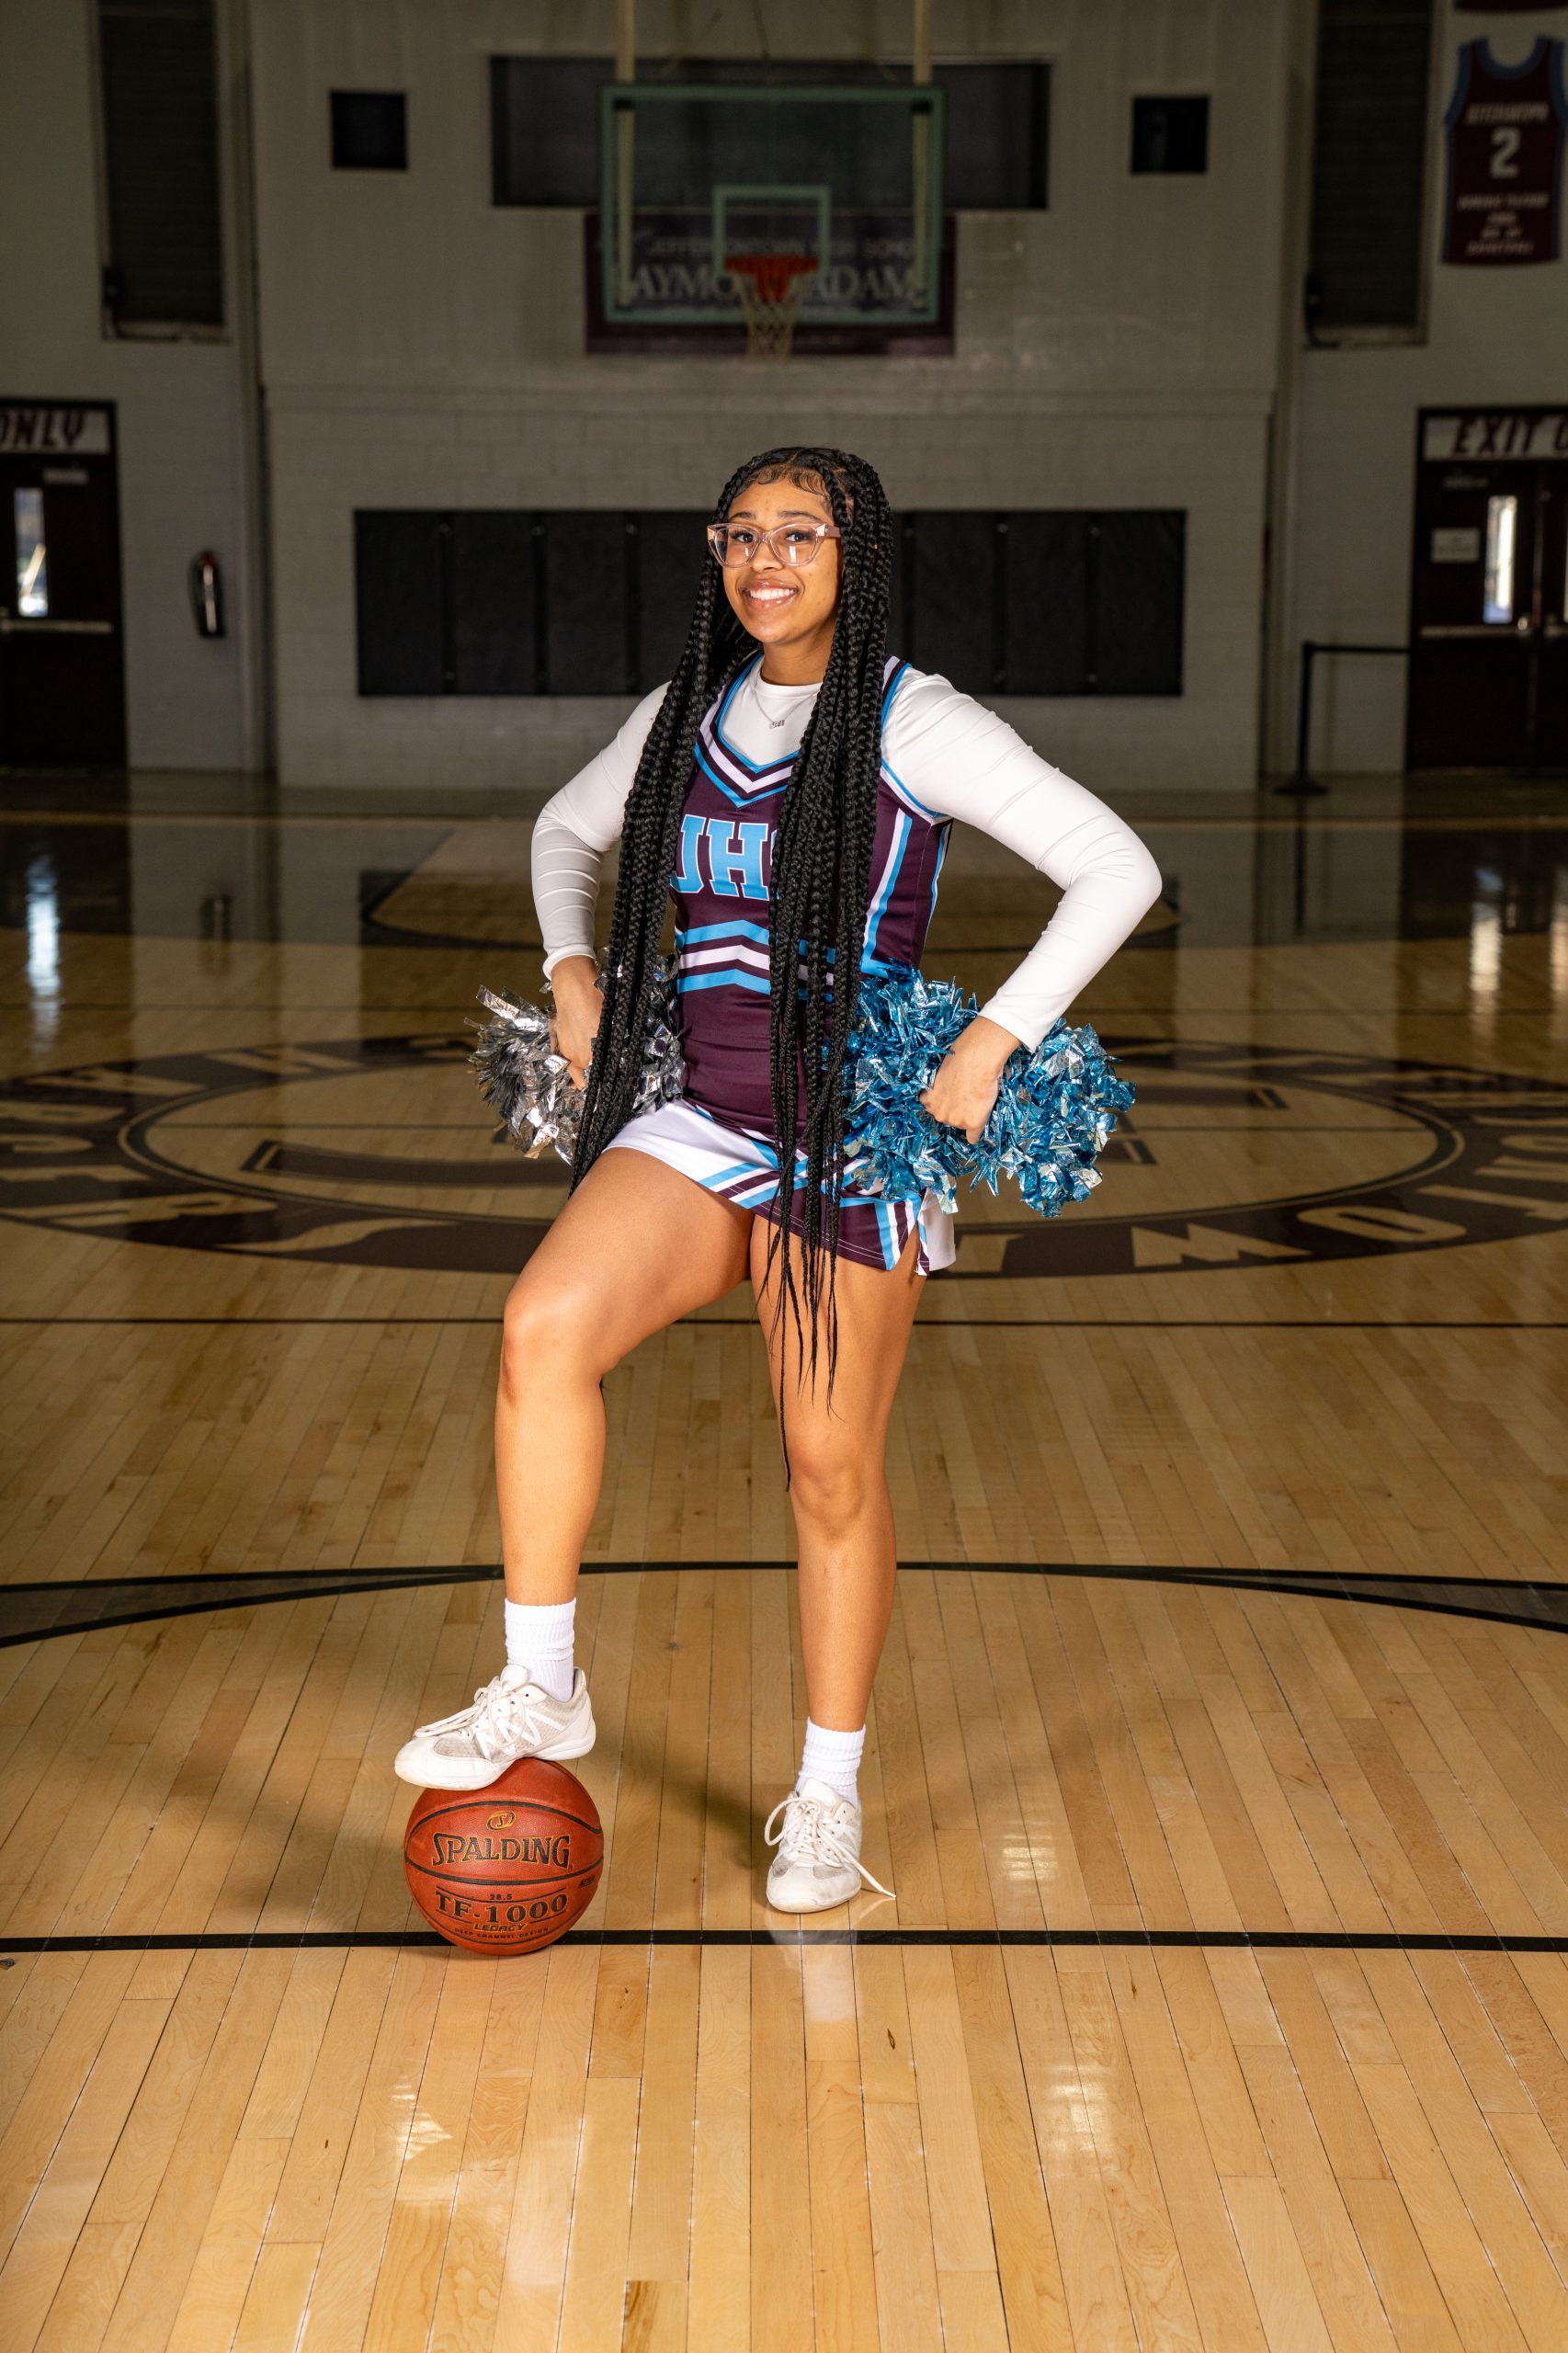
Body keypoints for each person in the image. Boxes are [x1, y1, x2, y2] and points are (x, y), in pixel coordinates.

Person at [395, 447, 1162, 1912]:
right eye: (741, 533)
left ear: (855, 555)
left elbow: (1113, 865)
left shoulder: (914, 719)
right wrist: (572, 965)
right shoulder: (684, 709)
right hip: (703, 1112)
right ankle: (543, 1684)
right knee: (541, 1328)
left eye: (799, 533)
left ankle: (824, 1793)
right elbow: (562, 831)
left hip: (850, 1134)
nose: (766, 558)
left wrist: (993, 1039)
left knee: (826, 1467)